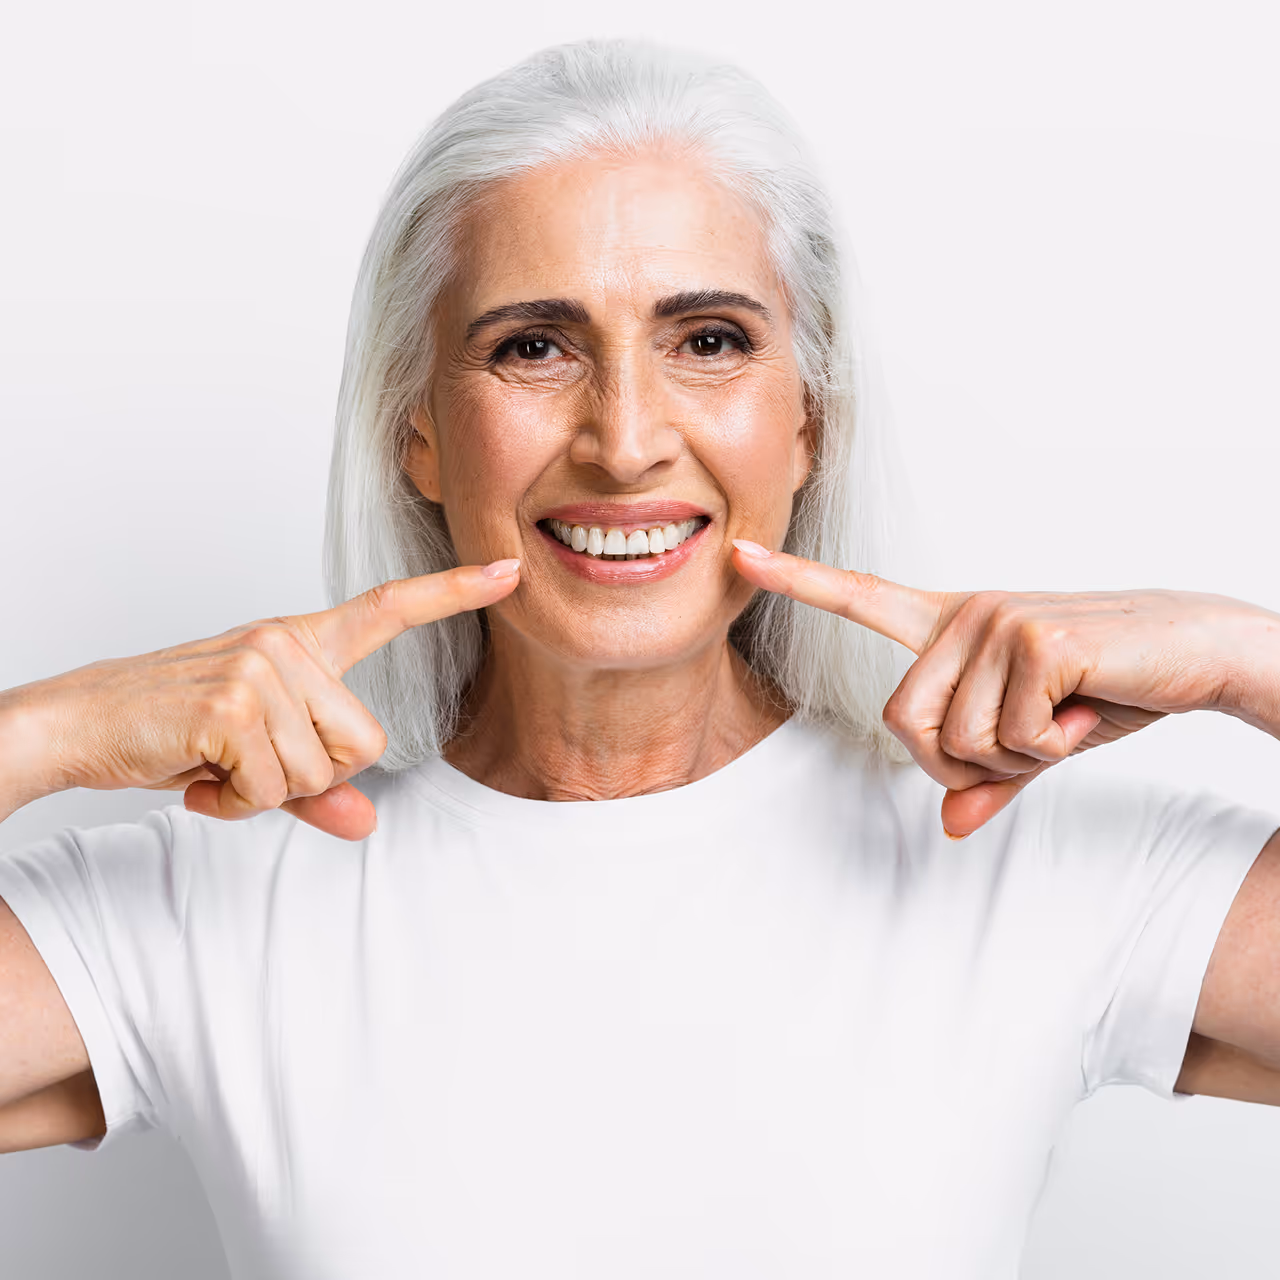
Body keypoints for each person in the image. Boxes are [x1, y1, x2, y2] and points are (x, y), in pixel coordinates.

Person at [1, 36, 1278, 1280]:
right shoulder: (213, 907)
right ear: (420, 435)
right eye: (532, 346)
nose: (623, 441)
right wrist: (48, 729)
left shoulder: (1021, 860)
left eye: (708, 339)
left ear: (806, 424)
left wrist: (1237, 654)